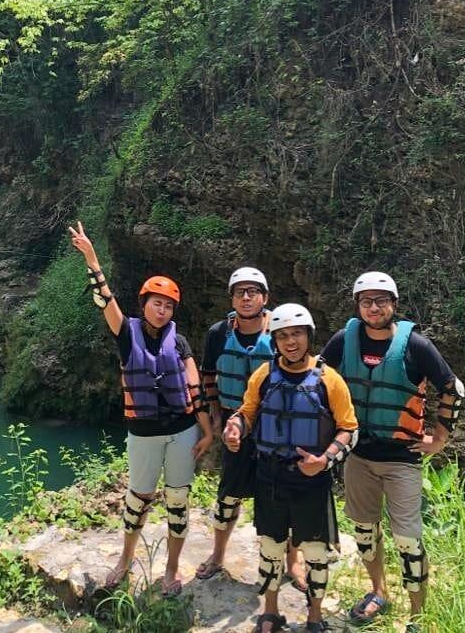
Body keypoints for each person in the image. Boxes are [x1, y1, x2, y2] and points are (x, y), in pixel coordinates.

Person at [69, 221, 213, 596]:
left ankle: (171, 569)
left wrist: (208, 430)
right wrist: (92, 258)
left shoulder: (179, 342)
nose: (162, 310)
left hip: (183, 431)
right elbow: (105, 300)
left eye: (168, 305)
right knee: (138, 500)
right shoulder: (126, 332)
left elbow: (195, 390)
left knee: (178, 501)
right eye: (156, 303)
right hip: (143, 434)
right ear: (144, 304)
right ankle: (125, 558)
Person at [320, 271, 465, 630]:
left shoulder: (416, 345)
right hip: (359, 455)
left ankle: (417, 615)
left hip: (402, 458)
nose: (374, 307)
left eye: (381, 301)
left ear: (394, 305)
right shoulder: (343, 340)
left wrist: (440, 438)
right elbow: (317, 380)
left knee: (407, 538)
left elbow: (452, 387)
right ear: (358, 305)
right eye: (366, 301)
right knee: (365, 531)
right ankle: (378, 592)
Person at [224, 303, 358, 633]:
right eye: (282, 336)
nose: (290, 342)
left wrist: (325, 459)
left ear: (308, 336)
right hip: (270, 476)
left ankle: (314, 616)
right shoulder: (264, 375)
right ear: (275, 341)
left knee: (315, 553)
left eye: (296, 334)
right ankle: (269, 612)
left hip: (311, 480)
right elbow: (248, 412)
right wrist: (235, 428)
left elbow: (350, 429)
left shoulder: (330, 380)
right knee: (270, 548)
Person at [197, 268, 306, 590]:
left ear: (265, 298)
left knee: (284, 494)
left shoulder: (280, 331)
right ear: (231, 298)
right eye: (240, 292)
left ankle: (293, 561)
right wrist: (216, 414)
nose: (246, 297)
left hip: (276, 426)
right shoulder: (219, 333)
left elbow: (300, 373)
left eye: (253, 292)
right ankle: (218, 554)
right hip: (235, 424)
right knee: (229, 493)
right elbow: (208, 376)